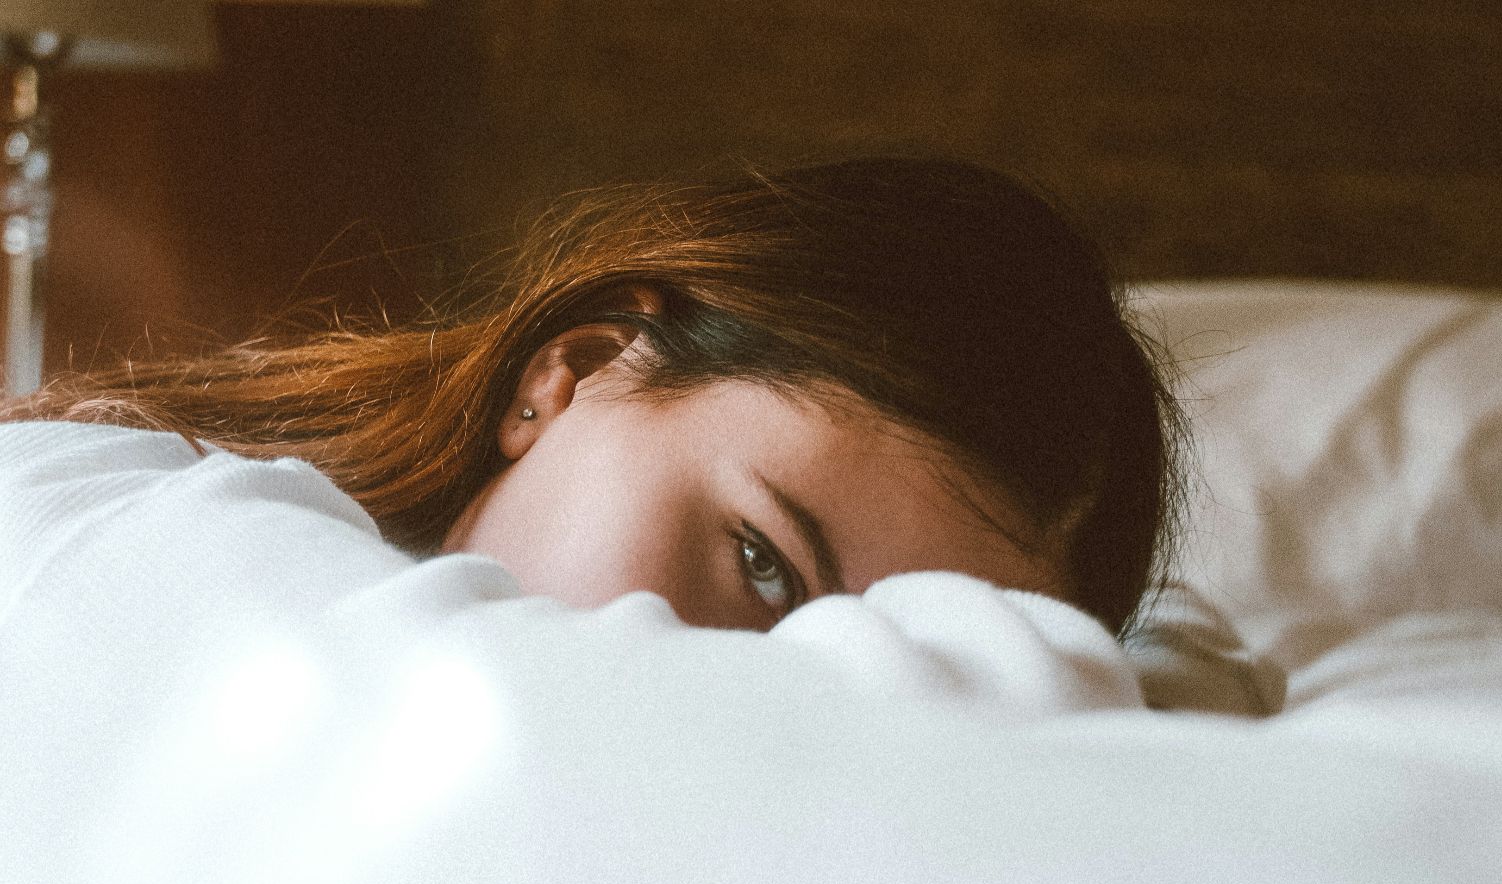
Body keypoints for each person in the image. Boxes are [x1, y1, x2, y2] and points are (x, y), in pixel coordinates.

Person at [2, 156, 1178, 635]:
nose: (788, 696)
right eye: (763, 562)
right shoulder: (101, 537)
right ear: (567, 373)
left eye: (911, 667)